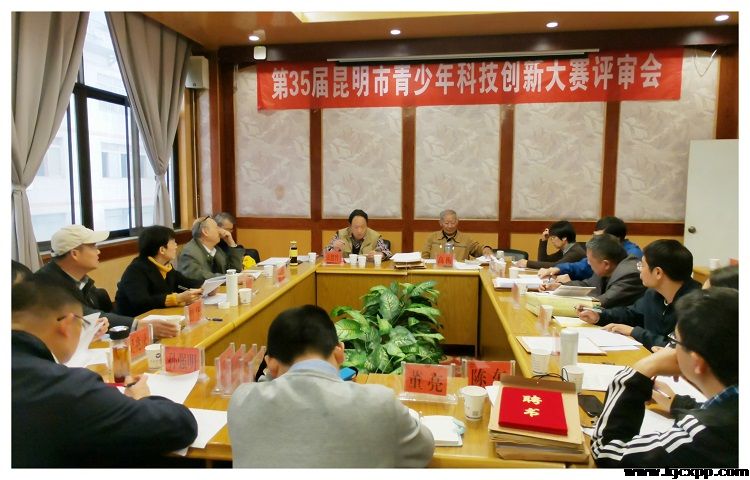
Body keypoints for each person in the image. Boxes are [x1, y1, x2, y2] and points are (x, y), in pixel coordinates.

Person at [11, 280, 198, 467]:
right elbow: (180, 426)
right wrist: (143, 398)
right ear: (66, 325)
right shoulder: (68, 388)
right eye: (83, 324)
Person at [228, 305, 434, 467]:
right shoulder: (379, 403)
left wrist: (270, 372)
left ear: (271, 364)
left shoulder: (241, 400)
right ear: (340, 352)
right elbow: (424, 450)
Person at [591, 287, 738, 467]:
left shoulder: (708, 434)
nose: (670, 349)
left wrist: (643, 368)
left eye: (674, 341)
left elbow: (606, 451)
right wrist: (678, 404)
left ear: (697, 362)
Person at [578, 239, 701, 350]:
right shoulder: (653, 293)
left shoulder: (696, 305)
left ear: (658, 273)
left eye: (642, 265)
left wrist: (635, 332)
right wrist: (599, 316)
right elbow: (631, 314)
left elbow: (675, 348)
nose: (639, 269)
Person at [33, 225, 130, 331]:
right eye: (93, 247)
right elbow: (84, 315)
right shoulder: (46, 284)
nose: (98, 252)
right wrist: (136, 324)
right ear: (75, 254)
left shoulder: (80, 280)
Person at [114, 225, 203, 318]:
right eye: (173, 243)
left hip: (160, 316)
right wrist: (177, 298)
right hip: (135, 321)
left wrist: (204, 287)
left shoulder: (165, 267)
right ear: (162, 250)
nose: (176, 246)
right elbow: (141, 302)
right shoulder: (136, 270)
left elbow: (185, 282)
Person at [541, 234, 645, 308]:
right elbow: (588, 285)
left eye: (590, 261)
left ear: (606, 264)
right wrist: (560, 286)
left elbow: (604, 302)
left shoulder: (629, 274)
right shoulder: (609, 266)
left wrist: (562, 304)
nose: (588, 263)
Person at [538, 216, 642, 281]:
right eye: (594, 236)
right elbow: (585, 265)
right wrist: (558, 268)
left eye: (599, 237)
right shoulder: (604, 248)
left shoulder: (632, 256)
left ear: (615, 238)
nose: (595, 240)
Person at [177, 215, 245, 280]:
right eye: (216, 228)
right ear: (205, 232)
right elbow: (201, 277)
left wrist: (231, 244)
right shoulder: (189, 253)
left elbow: (235, 270)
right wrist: (230, 278)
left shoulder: (216, 250)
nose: (220, 231)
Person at [421, 209, 493, 261]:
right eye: (446, 223)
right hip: (436, 272)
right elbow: (424, 258)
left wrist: (486, 249)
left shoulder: (466, 239)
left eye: (452, 223)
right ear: (440, 223)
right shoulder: (432, 237)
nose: (450, 226)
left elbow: (477, 249)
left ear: (457, 222)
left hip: (459, 274)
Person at [325, 209, 392, 260]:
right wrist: (334, 249)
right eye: (356, 227)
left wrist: (380, 254)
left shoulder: (375, 236)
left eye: (363, 227)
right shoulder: (340, 234)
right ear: (350, 226)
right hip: (345, 271)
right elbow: (324, 254)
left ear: (367, 225)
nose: (359, 231)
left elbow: (388, 253)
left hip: (367, 271)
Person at [516, 220, 585, 269]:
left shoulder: (575, 252)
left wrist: (528, 263)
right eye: (551, 238)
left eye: (553, 237)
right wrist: (544, 241)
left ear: (564, 238)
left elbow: (557, 266)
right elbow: (543, 261)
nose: (552, 241)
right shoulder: (565, 249)